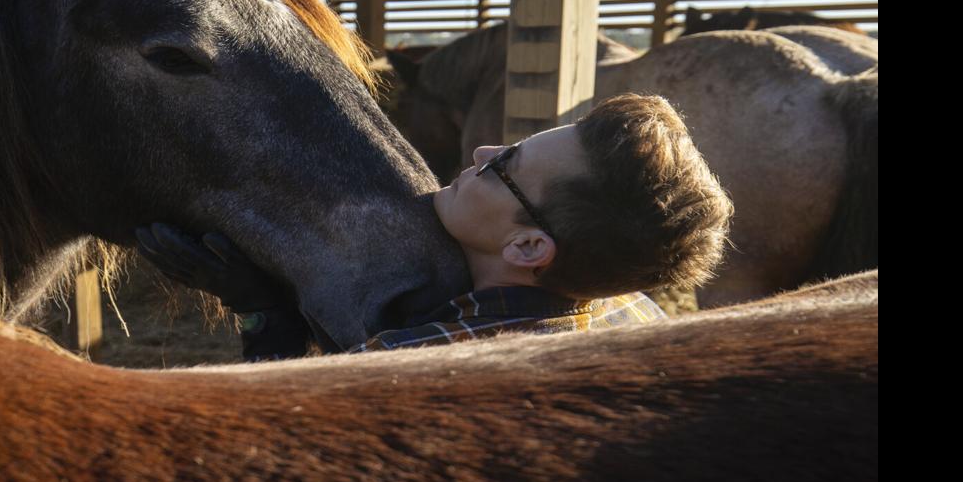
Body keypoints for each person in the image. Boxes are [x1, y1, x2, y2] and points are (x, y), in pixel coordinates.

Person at [135, 93, 733, 360]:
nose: (481, 151)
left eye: (504, 165)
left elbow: (277, 442)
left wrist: (265, 318)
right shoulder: (631, 309)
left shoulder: (407, 362)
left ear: (528, 246)